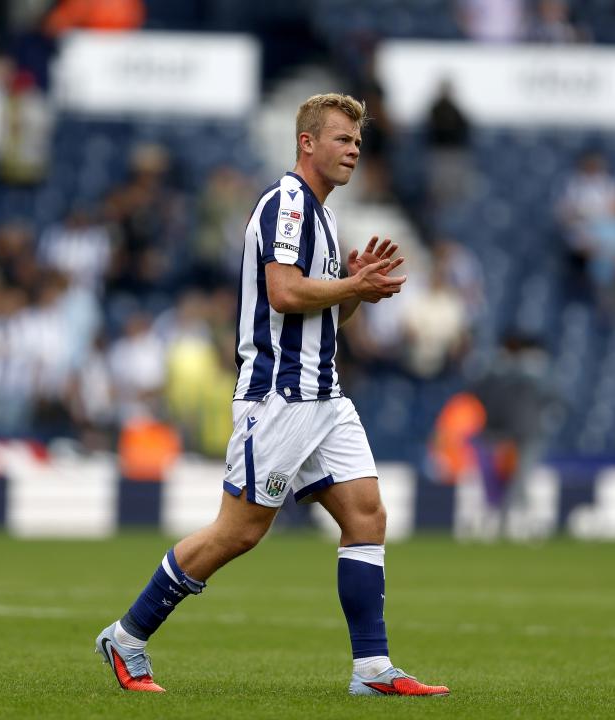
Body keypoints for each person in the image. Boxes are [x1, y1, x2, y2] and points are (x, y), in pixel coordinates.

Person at [95, 93, 450, 697]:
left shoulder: (327, 217)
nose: (354, 150)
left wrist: (358, 291)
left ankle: (371, 670)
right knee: (239, 532)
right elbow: (284, 294)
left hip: (325, 394)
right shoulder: (286, 204)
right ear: (306, 142)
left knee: (367, 514)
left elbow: (333, 323)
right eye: (342, 139)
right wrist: (347, 283)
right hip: (279, 396)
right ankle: (127, 637)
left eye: (359, 142)